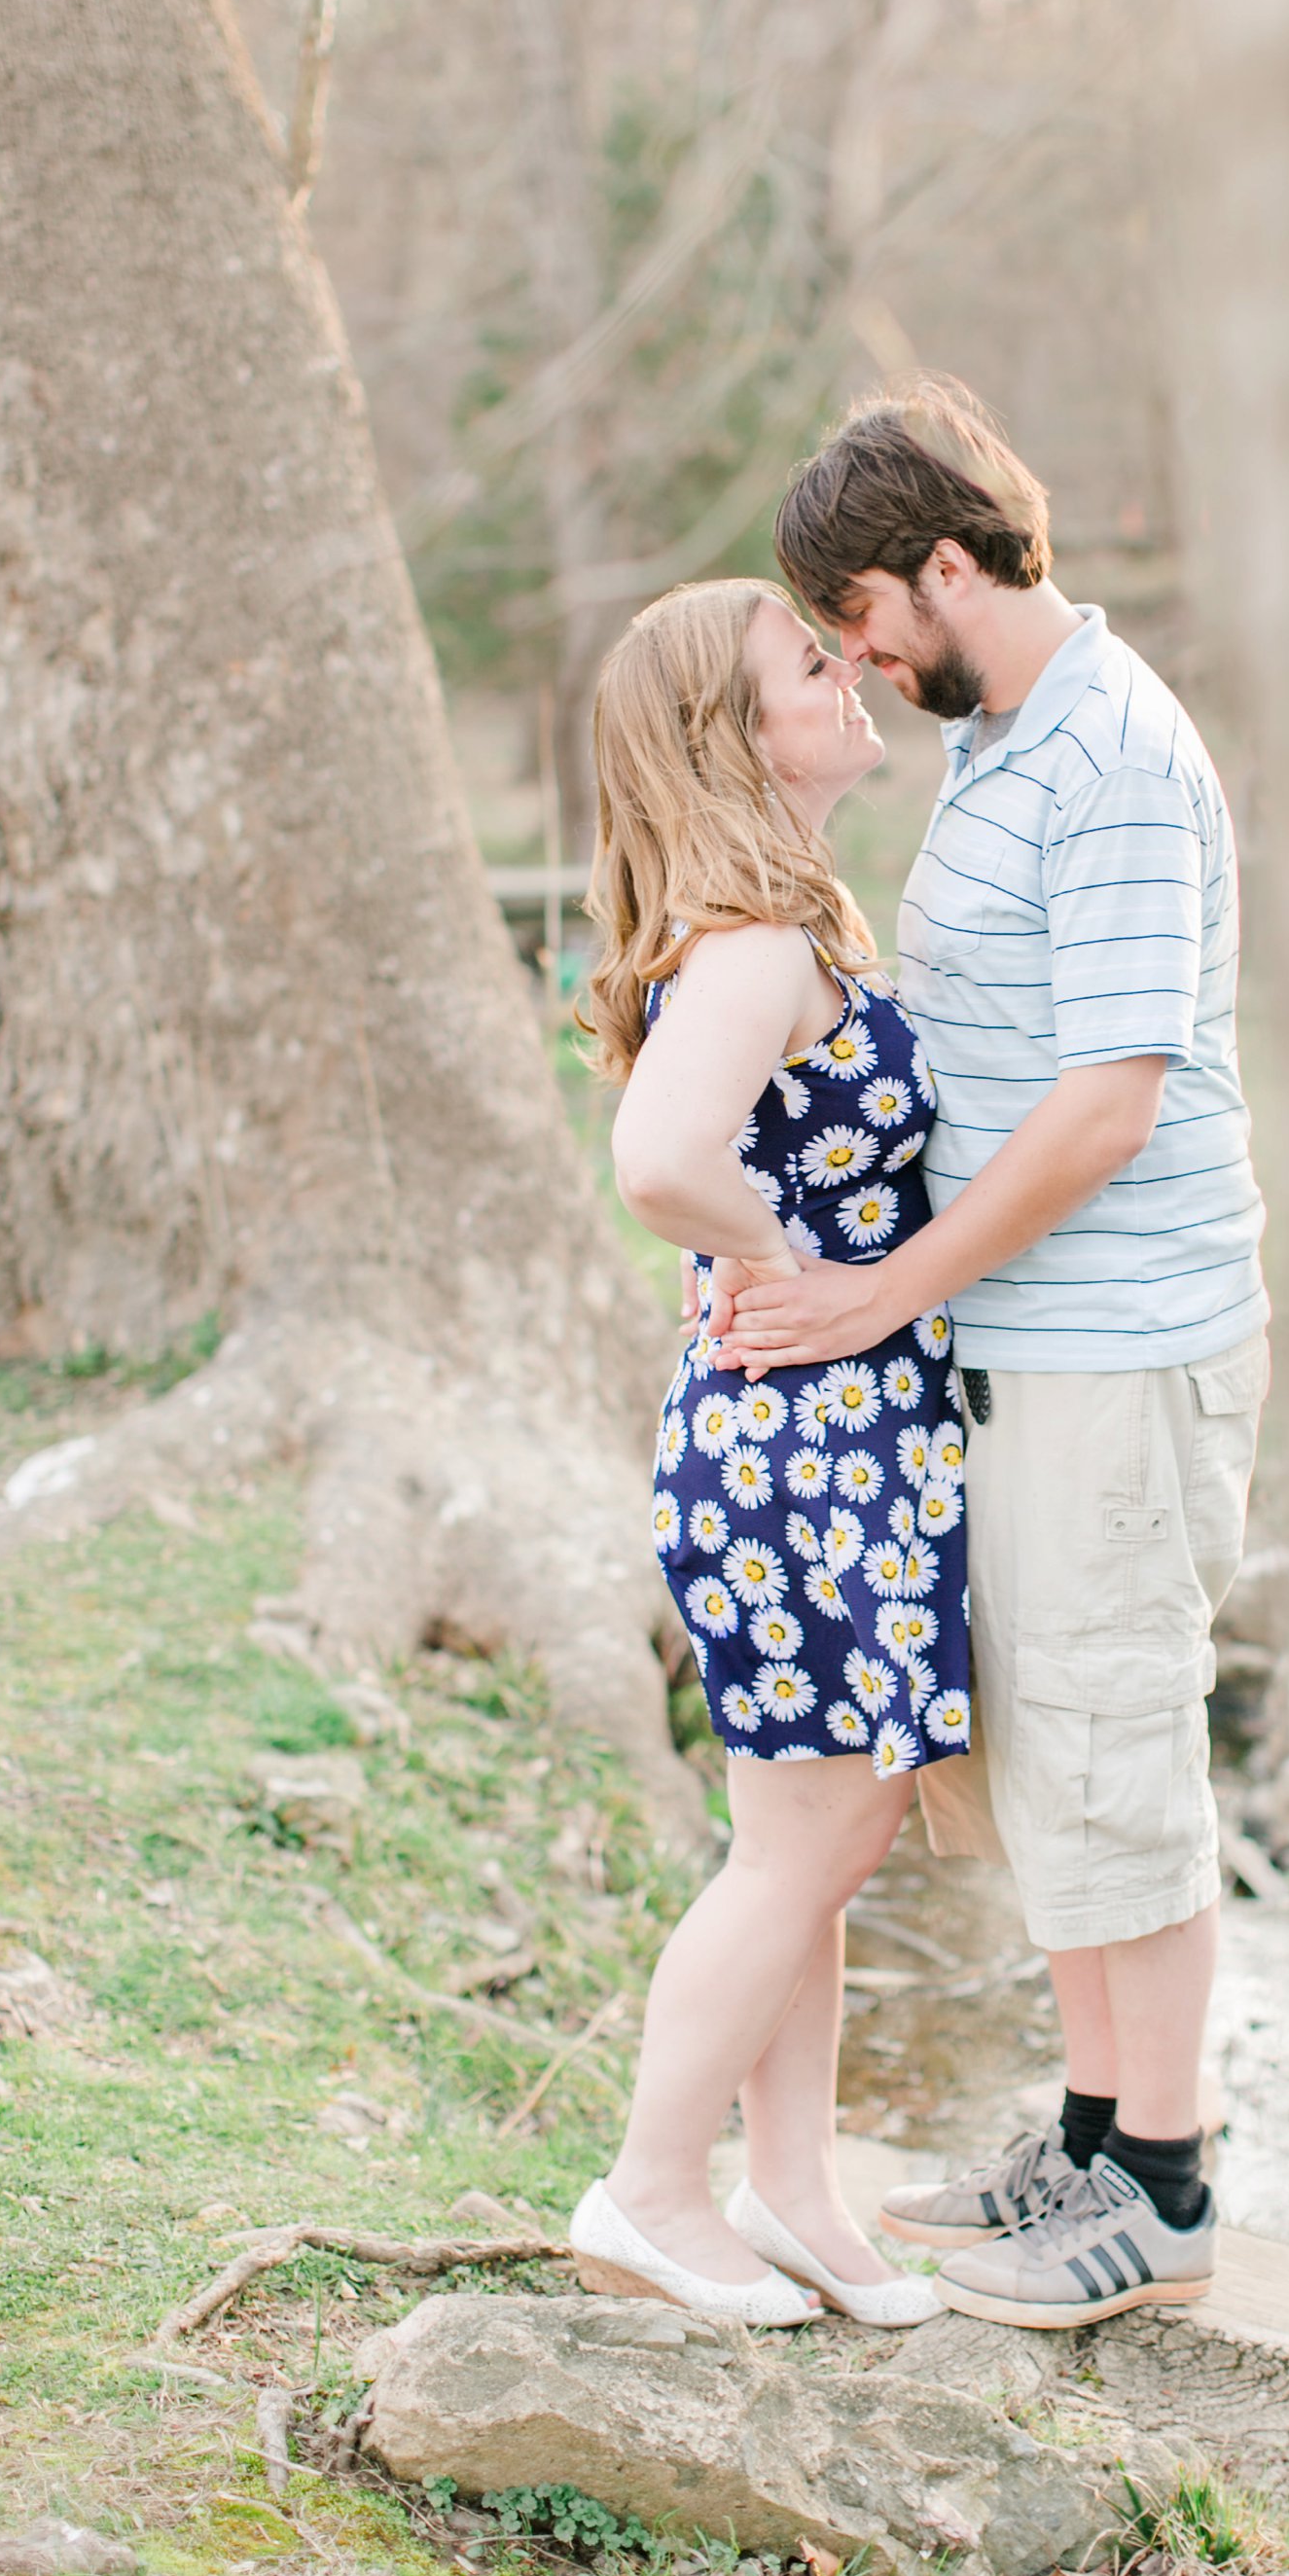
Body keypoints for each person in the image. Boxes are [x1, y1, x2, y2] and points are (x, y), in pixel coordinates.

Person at [717, 380, 1270, 2329]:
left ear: (946, 562)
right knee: (1051, 1733)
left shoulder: (1107, 751)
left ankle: (1172, 2188)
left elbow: (1105, 1106)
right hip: (1021, 1335)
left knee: (1119, 1739)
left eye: (861, 611)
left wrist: (882, 1290)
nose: (857, 654)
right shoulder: (1005, 734)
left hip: (1116, 1341)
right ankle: (1097, 2133)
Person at [565, 575, 961, 2330]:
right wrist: (799, 1260)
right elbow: (661, 1161)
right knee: (807, 1842)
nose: (853, 671)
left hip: (804, 1443)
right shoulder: (757, 943)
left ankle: (791, 2189)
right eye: (815, 663)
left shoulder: (782, 919)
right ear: (736, 736)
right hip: (805, 1449)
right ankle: (652, 2187)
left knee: (810, 1840)